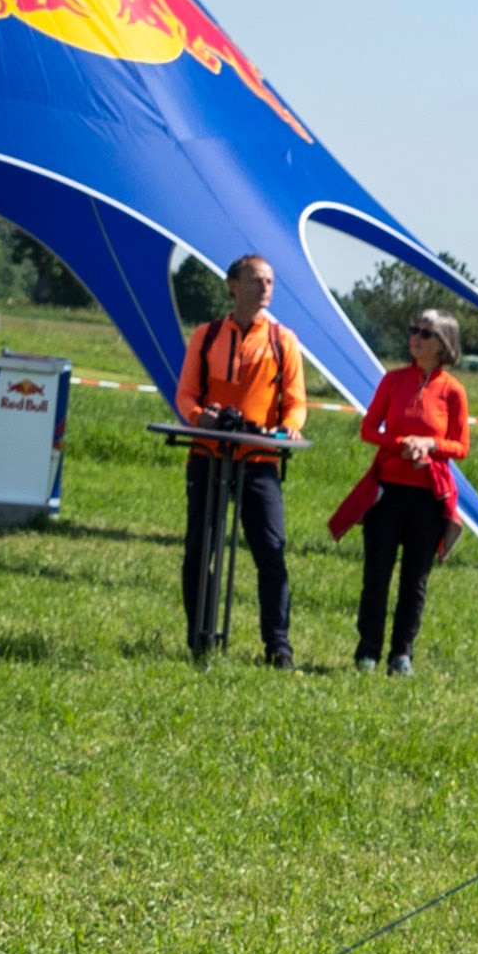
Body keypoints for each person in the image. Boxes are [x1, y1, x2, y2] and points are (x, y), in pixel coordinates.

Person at [173, 252, 309, 665]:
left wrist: (286, 428)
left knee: (270, 549)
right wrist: (202, 418)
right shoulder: (207, 335)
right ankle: (201, 638)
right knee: (200, 549)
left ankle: (278, 646)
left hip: (260, 459)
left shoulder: (283, 340)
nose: (264, 287)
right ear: (233, 286)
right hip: (208, 456)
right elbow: (185, 395)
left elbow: (296, 402)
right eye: (255, 280)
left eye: (269, 281)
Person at [335, 307, 468, 673]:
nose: (415, 337)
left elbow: (461, 446)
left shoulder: (453, 391)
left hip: (428, 496)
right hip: (387, 491)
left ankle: (402, 654)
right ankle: (367, 651)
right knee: (376, 574)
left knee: (415, 579)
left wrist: (430, 445)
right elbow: (368, 430)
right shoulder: (392, 381)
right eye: (413, 330)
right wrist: (401, 444)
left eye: (425, 333)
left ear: (443, 344)